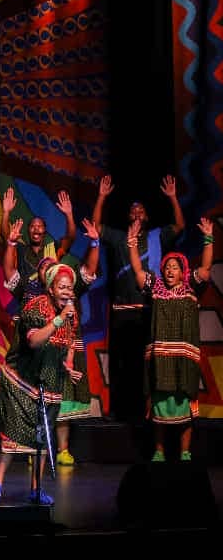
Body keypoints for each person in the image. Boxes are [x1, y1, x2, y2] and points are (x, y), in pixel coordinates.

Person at [2, 214, 101, 466]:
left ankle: (63, 449)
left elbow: (89, 272)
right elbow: (10, 272)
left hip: (63, 349)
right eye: (45, 268)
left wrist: (95, 244)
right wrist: (11, 245)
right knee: (37, 399)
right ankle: (35, 449)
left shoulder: (68, 288)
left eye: (53, 267)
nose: (49, 270)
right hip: (37, 351)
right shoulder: (29, 288)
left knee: (64, 398)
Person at [93, 174, 185, 423]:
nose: (136, 212)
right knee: (122, 363)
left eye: (141, 210)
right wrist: (101, 196)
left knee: (147, 364)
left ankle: (147, 410)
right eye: (133, 210)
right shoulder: (119, 237)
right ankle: (119, 411)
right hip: (122, 310)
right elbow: (96, 227)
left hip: (149, 309)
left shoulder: (157, 236)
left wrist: (173, 198)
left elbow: (179, 225)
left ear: (147, 217)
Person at [0, 263, 78, 506]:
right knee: (13, 436)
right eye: (61, 286)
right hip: (21, 381)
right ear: (51, 287)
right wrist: (57, 320)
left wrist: (68, 366)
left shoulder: (70, 313)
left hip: (49, 382)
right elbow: (35, 341)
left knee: (42, 438)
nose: (66, 291)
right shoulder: (34, 308)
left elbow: (67, 343)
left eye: (69, 287)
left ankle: (36, 489)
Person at [126, 217, 214, 461]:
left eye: (174, 267)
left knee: (184, 406)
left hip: (184, 361)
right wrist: (132, 243)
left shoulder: (191, 287)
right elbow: (137, 270)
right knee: (159, 408)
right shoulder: (155, 287)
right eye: (166, 267)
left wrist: (208, 238)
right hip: (160, 360)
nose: (169, 270)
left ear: (182, 271)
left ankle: (185, 452)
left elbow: (206, 269)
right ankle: (159, 451)